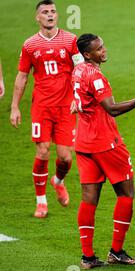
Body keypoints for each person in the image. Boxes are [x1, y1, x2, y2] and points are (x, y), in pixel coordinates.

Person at [72, 33, 135, 269]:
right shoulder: (95, 76)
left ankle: (88, 257)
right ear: (87, 54)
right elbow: (112, 109)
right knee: (126, 193)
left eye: (103, 45)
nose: (104, 50)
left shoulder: (78, 71)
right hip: (105, 143)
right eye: (98, 49)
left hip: (83, 142)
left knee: (89, 199)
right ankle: (116, 251)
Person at [10, 0, 84, 218]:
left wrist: (77, 97)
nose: (50, 15)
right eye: (45, 12)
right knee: (42, 150)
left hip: (66, 107)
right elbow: (22, 76)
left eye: (53, 11)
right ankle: (41, 201)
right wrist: (15, 107)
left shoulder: (70, 40)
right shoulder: (30, 45)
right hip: (41, 106)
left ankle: (58, 181)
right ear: (37, 18)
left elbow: (80, 69)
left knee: (66, 157)